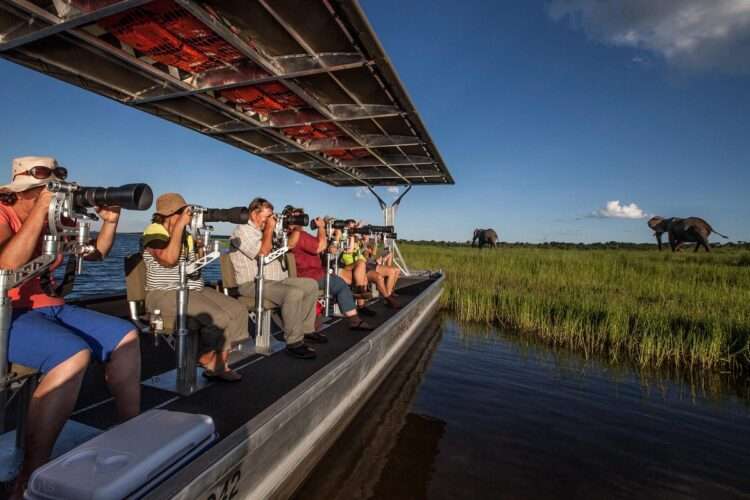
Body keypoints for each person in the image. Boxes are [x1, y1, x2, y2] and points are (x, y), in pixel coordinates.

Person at [0, 156, 141, 498]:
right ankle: (30, 475)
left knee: (126, 335)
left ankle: (132, 438)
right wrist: (40, 211)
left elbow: (96, 253)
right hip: (7, 311)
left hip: (50, 308)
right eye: (41, 192)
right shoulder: (3, 214)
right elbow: (6, 264)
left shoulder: (53, 218)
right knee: (72, 356)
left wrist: (110, 222)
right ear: (20, 192)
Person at [142, 193, 246, 381]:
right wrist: (181, 226)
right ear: (170, 214)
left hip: (192, 288)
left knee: (237, 309)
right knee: (219, 317)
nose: (188, 218)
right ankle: (206, 358)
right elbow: (169, 259)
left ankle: (220, 364)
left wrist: (229, 245)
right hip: (164, 292)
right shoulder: (153, 232)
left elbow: (201, 256)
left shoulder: (187, 236)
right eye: (184, 213)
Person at [229, 198, 320, 359]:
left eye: (271, 216)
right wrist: (270, 228)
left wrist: (292, 228)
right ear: (254, 214)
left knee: (311, 285)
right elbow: (262, 253)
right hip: (252, 283)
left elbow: (290, 245)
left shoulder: (267, 230)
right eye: (266, 216)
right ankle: (294, 343)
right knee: (293, 294)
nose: (269, 220)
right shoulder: (242, 231)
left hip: (275, 281)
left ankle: (306, 330)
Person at [287, 208, 373, 331]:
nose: (301, 220)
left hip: (314, 273)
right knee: (340, 284)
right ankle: (354, 319)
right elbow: (320, 246)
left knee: (352, 276)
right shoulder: (299, 235)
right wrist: (321, 228)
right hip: (311, 275)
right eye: (298, 217)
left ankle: (358, 299)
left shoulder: (295, 236)